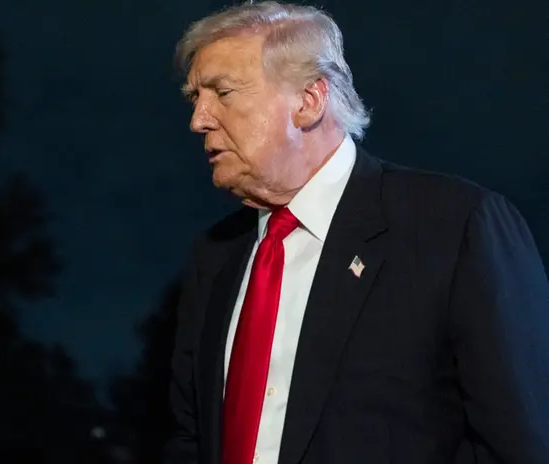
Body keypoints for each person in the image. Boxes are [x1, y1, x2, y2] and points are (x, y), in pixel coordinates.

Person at [164, 2, 549, 463]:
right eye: (195, 98)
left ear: (308, 102)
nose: (198, 119)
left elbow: (518, 445)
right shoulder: (214, 256)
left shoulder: (456, 227)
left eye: (222, 93)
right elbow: (190, 438)